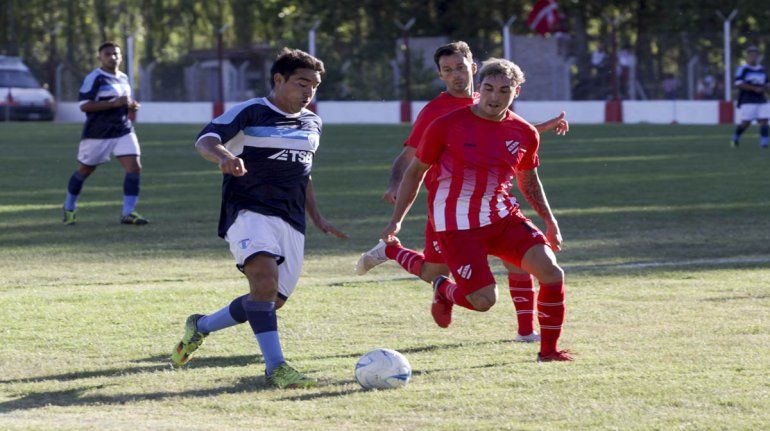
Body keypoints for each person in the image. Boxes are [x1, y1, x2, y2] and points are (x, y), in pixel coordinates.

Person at [355, 41, 568, 343]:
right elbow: (410, 159)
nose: (456, 75)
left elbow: (500, 134)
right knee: (433, 271)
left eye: (460, 67)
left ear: (473, 66)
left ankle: (526, 332)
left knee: (521, 261)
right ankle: (394, 252)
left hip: (494, 204)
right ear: (440, 75)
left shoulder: (490, 94)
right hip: (449, 211)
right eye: (447, 70)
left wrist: (539, 128)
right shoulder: (436, 114)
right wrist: (394, 187)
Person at [171, 48, 346, 388]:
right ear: (278, 80)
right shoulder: (251, 111)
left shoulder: (313, 122)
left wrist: (318, 217)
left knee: (269, 301)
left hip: (291, 218)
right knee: (263, 284)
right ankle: (276, 368)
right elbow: (205, 139)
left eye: (314, 85)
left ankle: (201, 326)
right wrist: (222, 155)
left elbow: (303, 173)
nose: (308, 91)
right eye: (301, 83)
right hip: (248, 209)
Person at [61, 41, 147, 225]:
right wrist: (113, 103)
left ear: (121, 57)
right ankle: (69, 207)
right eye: (107, 54)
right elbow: (84, 105)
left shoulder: (123, 78)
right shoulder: (95, 78)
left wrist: (132, 105)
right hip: (98, 133)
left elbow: (124, 101)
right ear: (100, 57)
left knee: (134, 167)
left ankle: (128, 212)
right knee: (85, 170)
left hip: (123, 129)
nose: (112, 57)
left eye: (116, 53)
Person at [731, 46, 769, 149]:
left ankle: (764, 143)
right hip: (747, 100)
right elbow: (738, 83)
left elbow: (767, 83)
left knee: (764, 120)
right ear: (747, 56)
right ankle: (736, 137)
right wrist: (754, 88)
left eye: (755, 55)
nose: (753, 57)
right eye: (751, 55)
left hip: (761, 99)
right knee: (746, 123)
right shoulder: (743, 69)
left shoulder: (762, 69)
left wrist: (766, 88)